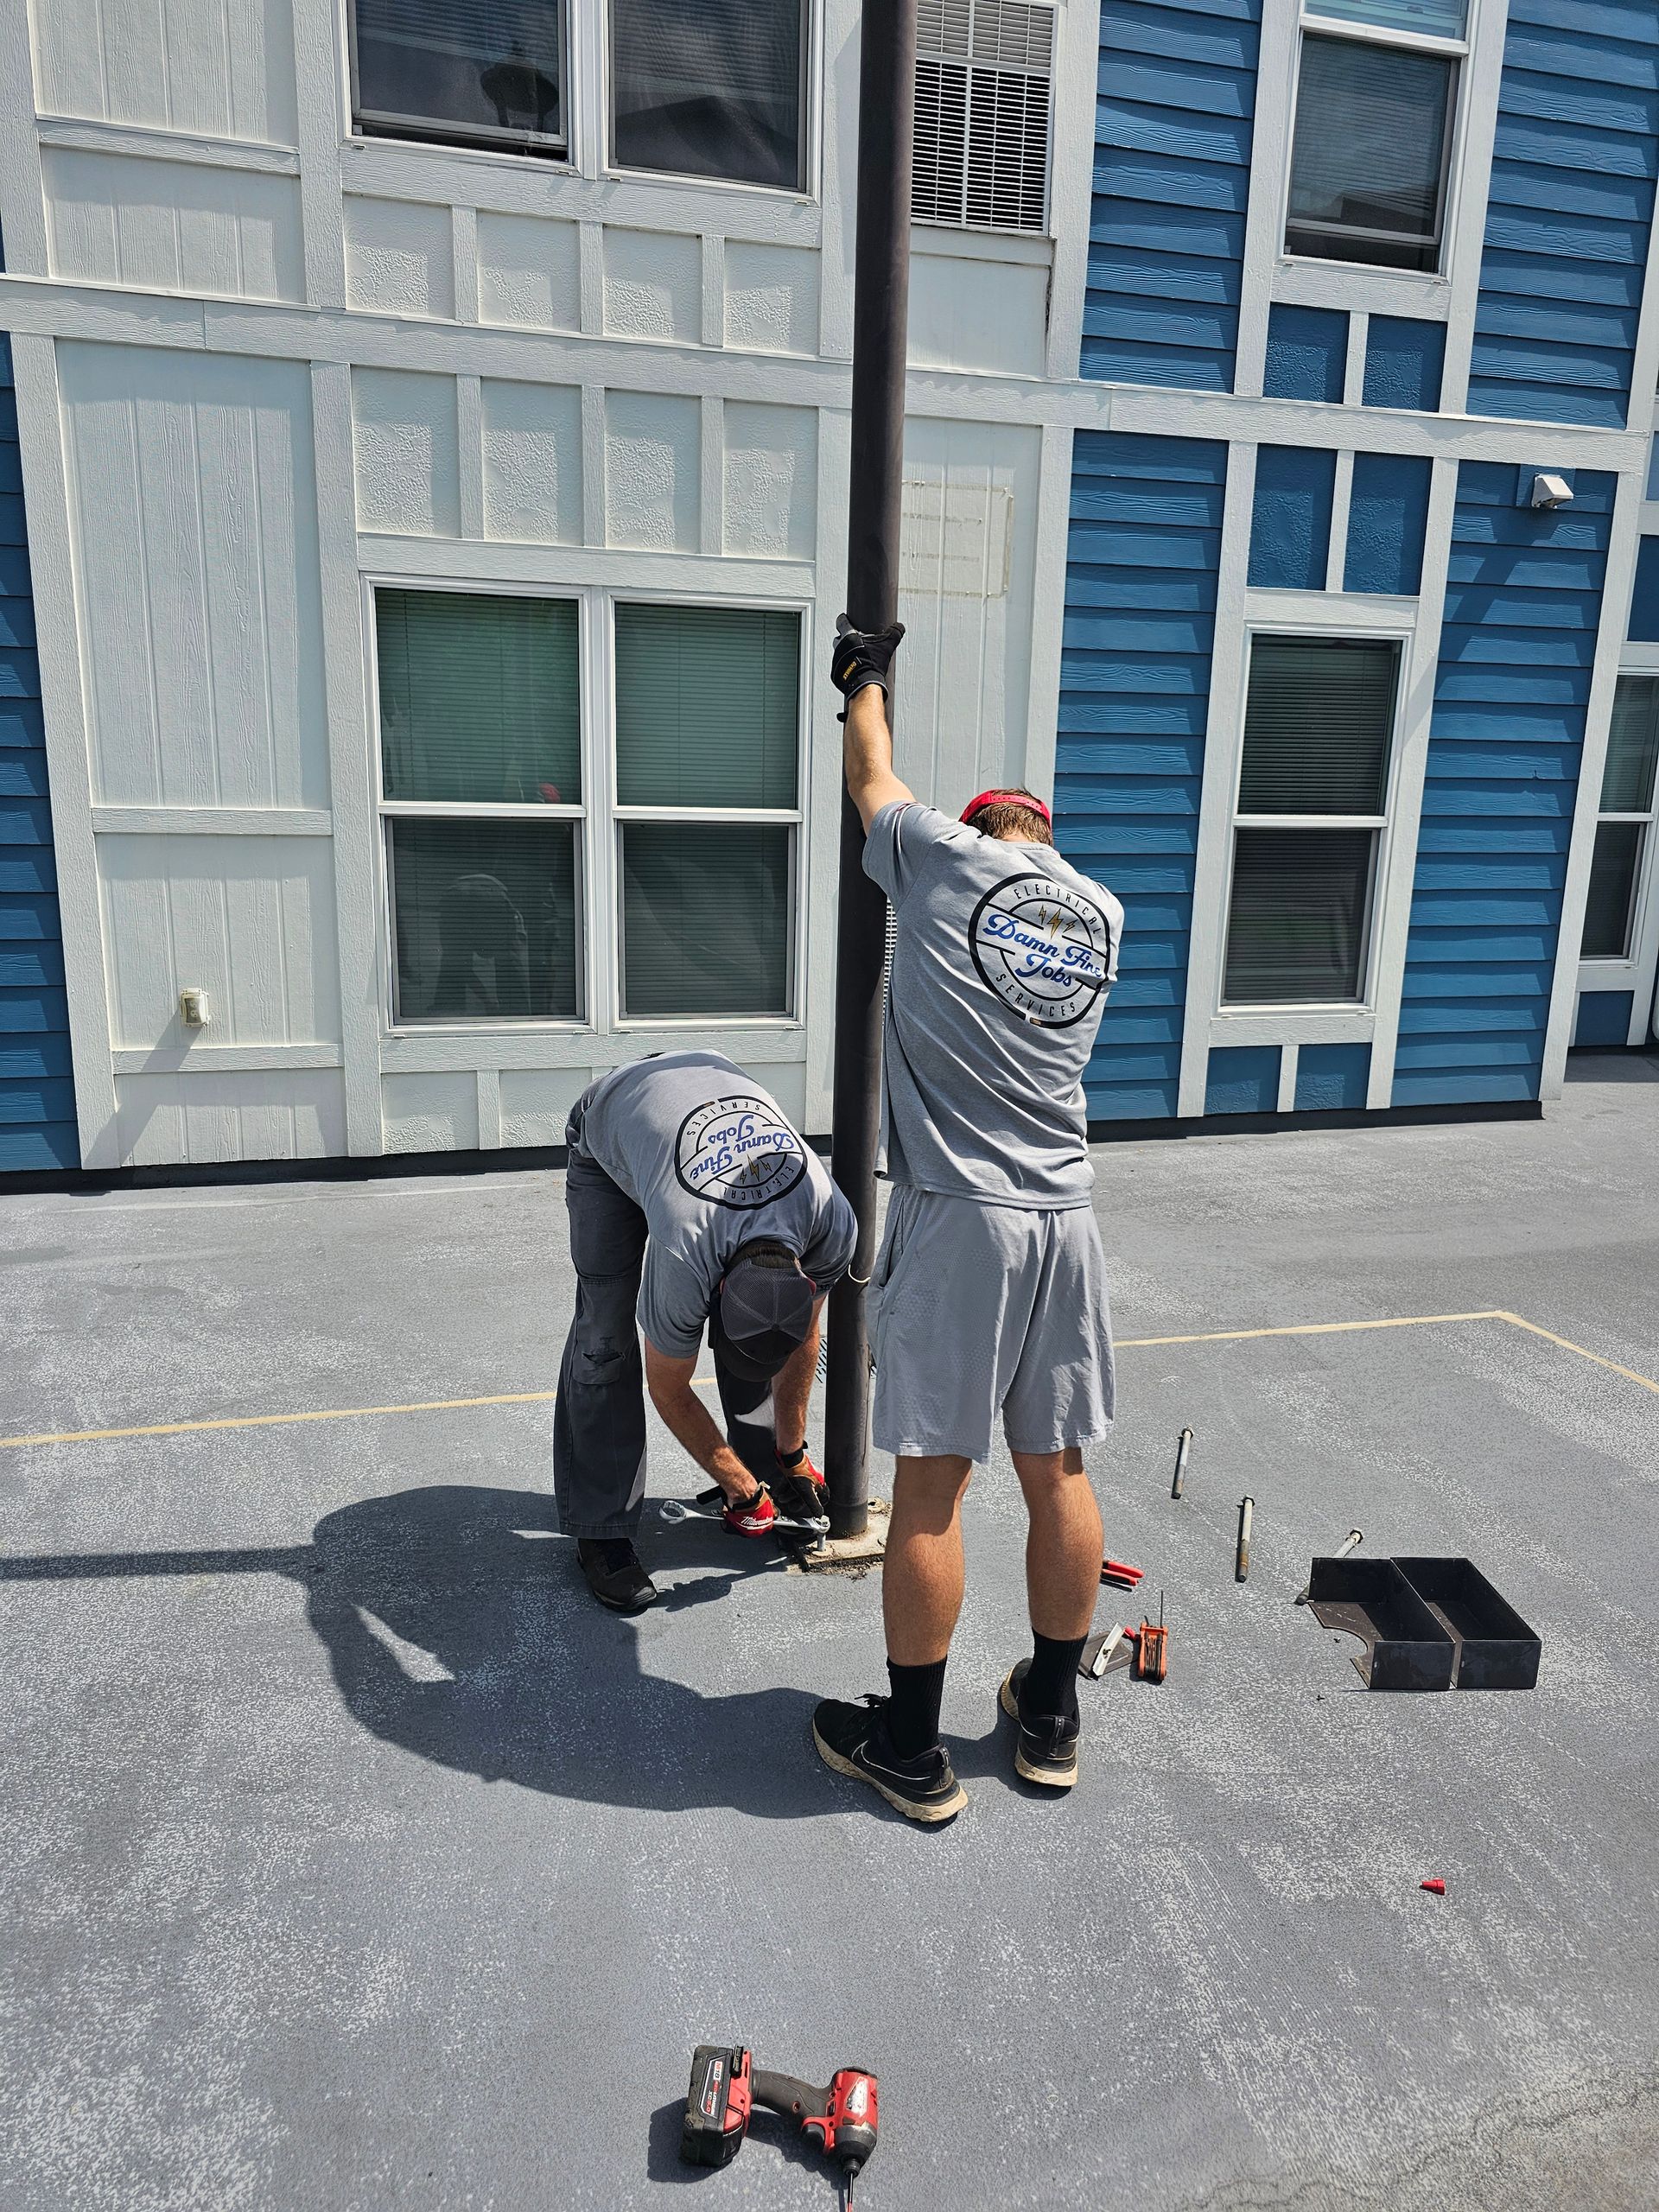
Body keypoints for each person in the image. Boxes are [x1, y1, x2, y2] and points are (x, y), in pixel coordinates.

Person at [812, 619, 1125, 1822]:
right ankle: (1048, 1715)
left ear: (983, 828)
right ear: (1046, 841)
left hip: (963, 1219)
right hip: (1068, 1218)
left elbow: (869, 775)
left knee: (931, 1489)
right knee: (1060, 1473)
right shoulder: (1100, 916)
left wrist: (865, 680)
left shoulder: (942, 861)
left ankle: (907, 1746)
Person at [556, 1050, 856, 1613]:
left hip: (700, 1088)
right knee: (605, 1339)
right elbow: (668, 1388)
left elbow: (804, 1337)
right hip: (613, 1116)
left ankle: (770, 1469)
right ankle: (601, 1530)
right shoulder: (685, 1251)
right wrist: (741, 1489)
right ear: (715, 1289)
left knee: (764, 1359)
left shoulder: (831, 1220)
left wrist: (792, 1453)